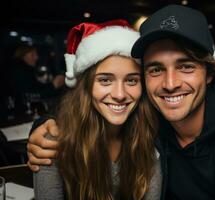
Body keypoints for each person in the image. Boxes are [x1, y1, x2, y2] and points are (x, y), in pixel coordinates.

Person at [27, 4, 215, 200]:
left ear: (209, 73)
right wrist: (45, 125)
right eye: (156, 69)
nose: (170, 84)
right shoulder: (145, 120)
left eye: (186, 66)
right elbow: (88, 109)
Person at [32, 20, 162, 200]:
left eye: (131, 80)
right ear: (85, 86)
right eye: (105, 80)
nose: (119, 94)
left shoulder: (149, 135)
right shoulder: (54, 142)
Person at [10, 44, 65, 116]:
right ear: (22, 56)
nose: (36, 57)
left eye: (36, 54)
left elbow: (36, 88)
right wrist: (53, 85)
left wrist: (53, 85)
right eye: (32, 54)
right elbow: (30, 95)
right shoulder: (18, 71)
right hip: (20, 116)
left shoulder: (25, 70)